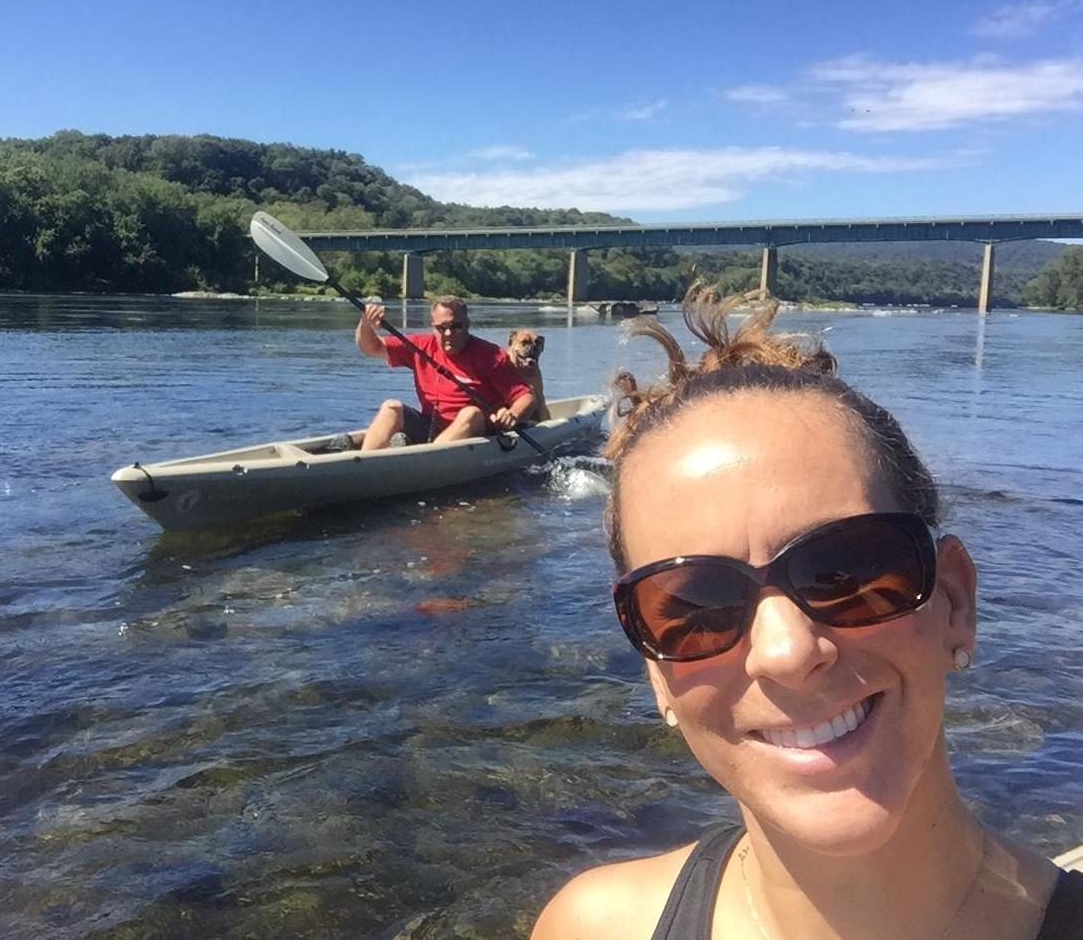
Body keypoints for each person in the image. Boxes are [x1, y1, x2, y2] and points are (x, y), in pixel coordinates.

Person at [532, 286, 1082, 940]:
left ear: (953, 600)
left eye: (843, 571)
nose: (786, 651)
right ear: (655, 671)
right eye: (697, 606)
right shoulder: (591, 928)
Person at [353, 295, 537, 451]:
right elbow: (372, 348)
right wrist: (366, 323)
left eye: (456, 326)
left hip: (477, 431)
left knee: (471, 413)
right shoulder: (419, 346)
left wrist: (512, 414)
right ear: (433, 327)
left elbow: (526, 397)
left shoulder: (492, 355)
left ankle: (427, 460)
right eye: (442, 328)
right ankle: (364, 465)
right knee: (391, 407)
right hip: (432, 426)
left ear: (467, 324)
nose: (449, 333)